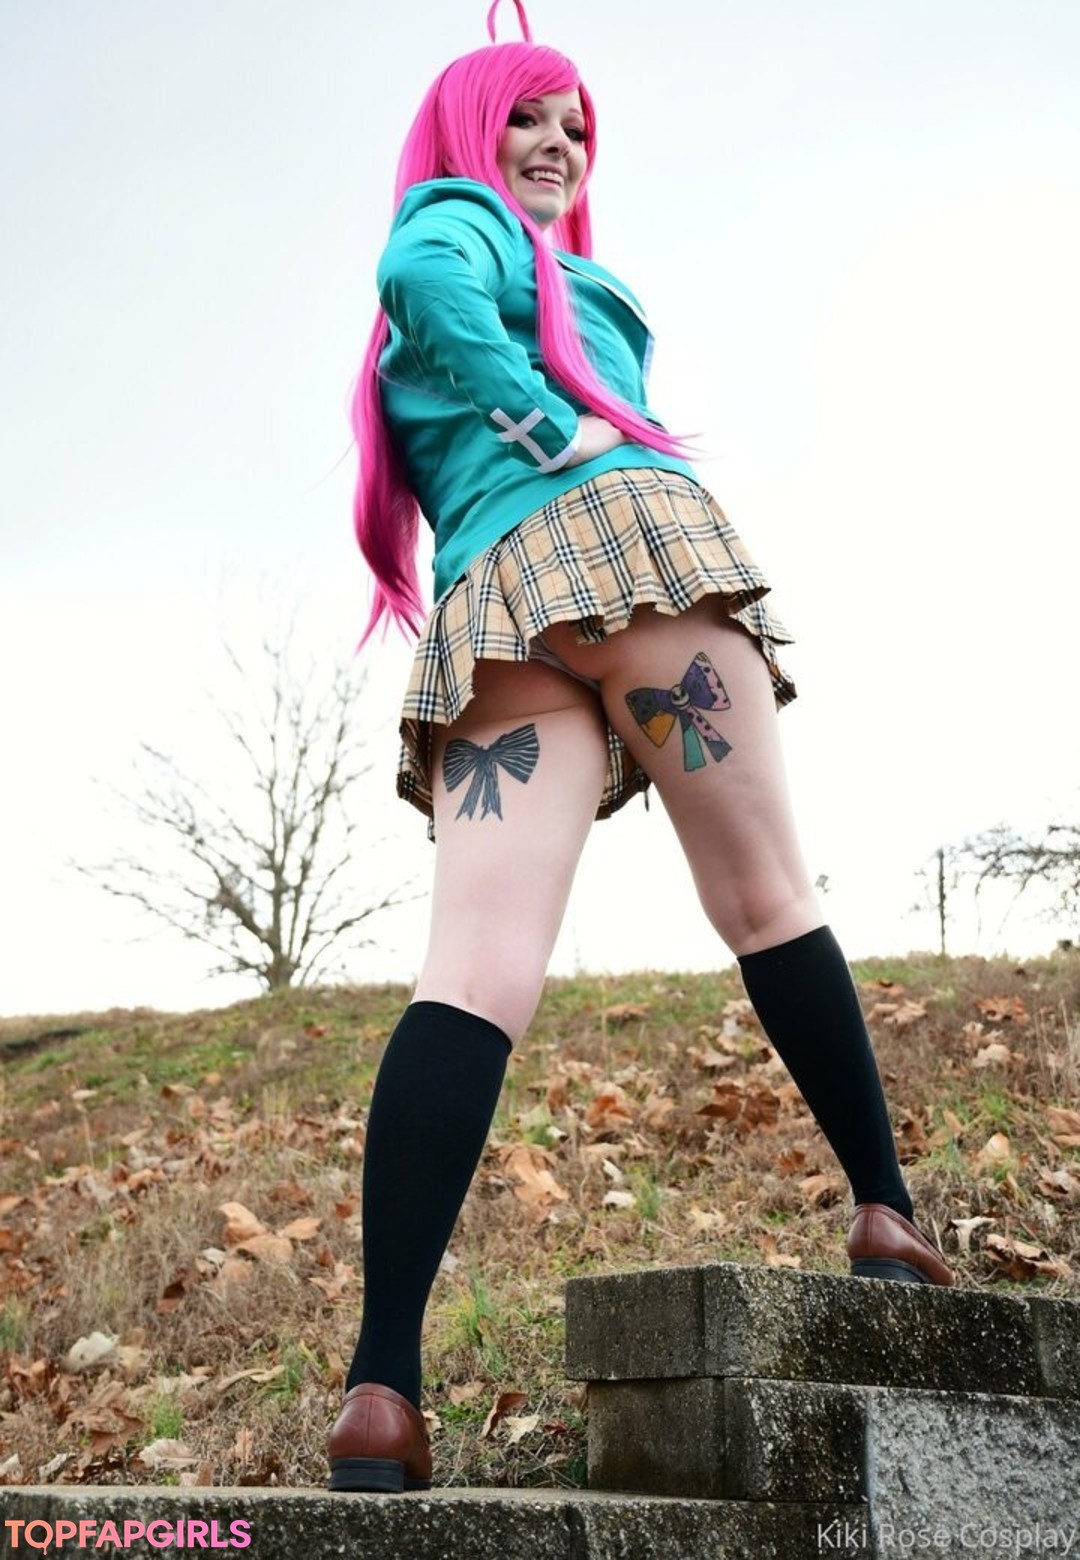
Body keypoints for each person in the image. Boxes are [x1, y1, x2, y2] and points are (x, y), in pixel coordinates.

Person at [328, 0, 953, 1496]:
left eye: (576, 127)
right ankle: (883, 1209)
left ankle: (381, 1387)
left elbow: (425, 309)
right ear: (468, 133)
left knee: (470, 980)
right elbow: (418, 268)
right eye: (527, 117)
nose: (556, 145)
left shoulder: (538, 266)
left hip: (499, 632)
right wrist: (564, 432)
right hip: (629, 559)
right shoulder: (462, 225)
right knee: (767, 897)